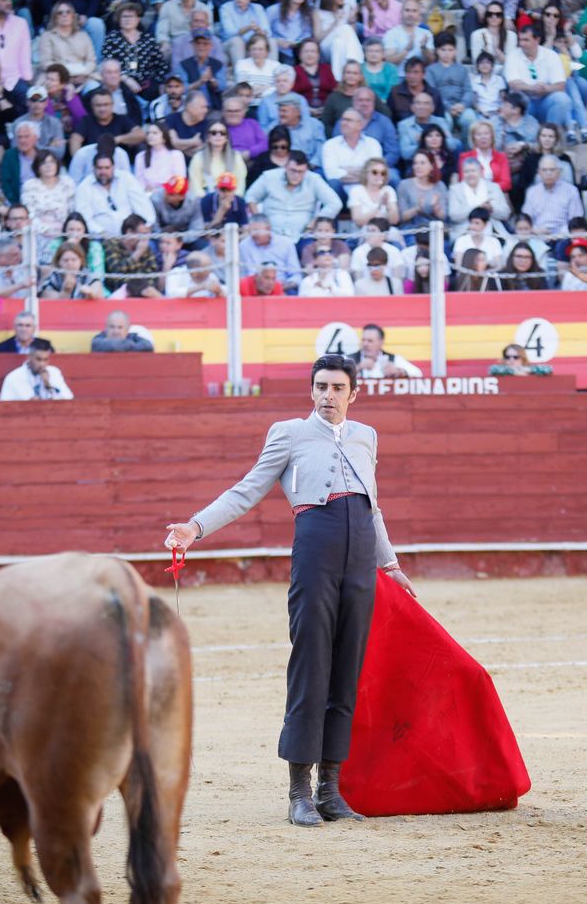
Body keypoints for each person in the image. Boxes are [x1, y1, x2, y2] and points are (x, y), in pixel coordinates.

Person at [164, 353, 415, 826]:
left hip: (361, 560)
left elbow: (374, 507)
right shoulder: (289, 433)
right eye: (321, 387)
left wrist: (390, 564)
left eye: (338, 388)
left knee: (346, 671)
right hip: (316, 554)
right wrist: (195, 527)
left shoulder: (366, 436)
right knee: (311, 666)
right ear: (311, 391)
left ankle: (330, 790)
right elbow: (248, 489)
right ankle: (298, 791)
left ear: (353, 393)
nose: (328, 396)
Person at [0, 338, 72, 399]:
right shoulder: (14, 377)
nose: (42, 364)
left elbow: (68, 398)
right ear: (29, 357)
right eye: (38, 359)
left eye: (45, 359)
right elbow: (3, 405)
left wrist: (48, 384)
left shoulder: (54, 372)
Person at [348, 323, 420, 379]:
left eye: (370, 341)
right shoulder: (350, 359)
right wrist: (358, 367)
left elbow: (418, 373)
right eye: (363, 340)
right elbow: (337, 376)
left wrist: (399, 372)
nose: (365, 344)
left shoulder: (393, 359)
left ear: (381, 342)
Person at [90, 308, 154, 352]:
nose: (116, 331)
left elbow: (148, 346)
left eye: (120, 327)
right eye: (112, 327)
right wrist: (129, 345)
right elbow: (112, 346)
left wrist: (124, 345)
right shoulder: (99, 338)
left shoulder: (133, 336)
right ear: (106, 328)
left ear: (127, 329)